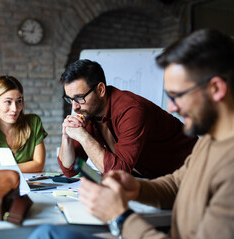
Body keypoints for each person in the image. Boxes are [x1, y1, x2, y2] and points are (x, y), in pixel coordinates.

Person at [28, 29, 234, 239]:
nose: (171, 108)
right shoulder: (209, 141)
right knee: (47, 232)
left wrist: (120, 217)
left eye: (177, 95)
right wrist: (134, 187)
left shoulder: (229, 166)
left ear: (216, 88)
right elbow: (176, 185)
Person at [58, 59, 197, 179]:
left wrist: (83, 137)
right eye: (70, 99)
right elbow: (69, 170)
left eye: (79, 98)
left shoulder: (131, 111)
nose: (75, 107)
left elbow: (117, 172)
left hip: (191, 172)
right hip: (151, 178)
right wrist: (66, 137)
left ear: (100, 90)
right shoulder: (89, 112)